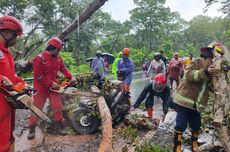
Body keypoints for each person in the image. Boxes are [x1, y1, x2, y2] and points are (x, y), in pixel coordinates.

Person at [172, 46, 220, 152]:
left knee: (196, 125)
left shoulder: (211, 70)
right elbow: (189, 75)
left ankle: (194, 143)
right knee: (181, 124)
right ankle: (177, 146)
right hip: (184, 101)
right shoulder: (194, 63)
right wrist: (206, 72)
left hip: (197, 105)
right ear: (206, 58)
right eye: (211, 60)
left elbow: (211, 86)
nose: (212, 63)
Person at [27, 37, 76, 140]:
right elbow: (38, 76)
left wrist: (71, 77)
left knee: (57, 106)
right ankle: (32, 128)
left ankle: (59, 126)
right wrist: (50, 83)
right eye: (58, 50)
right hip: (41, 87)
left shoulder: (58, 58)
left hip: (54, 87)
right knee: (36, 108)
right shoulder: (39, 58)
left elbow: (63, 69)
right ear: (53, 48)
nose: (58, 52)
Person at [0, 16, 25, 151]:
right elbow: (3, 77)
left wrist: (21, 83)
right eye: (16, 35)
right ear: (7, 33)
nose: (16, 40)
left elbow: (11, 75)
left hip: (8, 102)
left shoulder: (7, 53)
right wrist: (1, 78)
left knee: (9, 135)